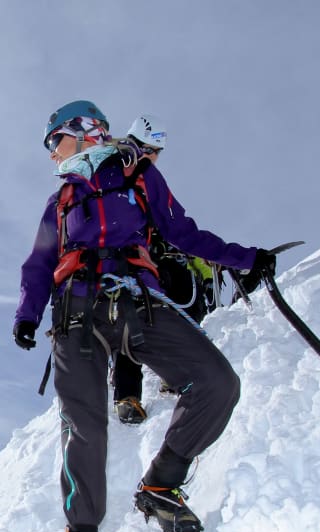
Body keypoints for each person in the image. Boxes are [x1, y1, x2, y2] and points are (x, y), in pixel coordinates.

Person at [12, 100, 276, 532]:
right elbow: (40, 262)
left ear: (85, 133)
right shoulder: (60, 202)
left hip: (137, 301)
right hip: (76, 313)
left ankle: (161, 484)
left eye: (53, 141)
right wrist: (27, 312)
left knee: (218, 382)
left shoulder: (138, 177)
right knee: (85, 429)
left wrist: (247, 258)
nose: (51, 153)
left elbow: (183, 232)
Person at [112, 115, 220, 420]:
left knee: (163, 312)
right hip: (133, 261)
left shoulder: (142, 184)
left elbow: (183, 234)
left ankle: (151, 385)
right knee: (133, 320)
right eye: (154, 151)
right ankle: (130, 393)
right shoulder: (121, 179)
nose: (155, 159)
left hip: (155, 262)